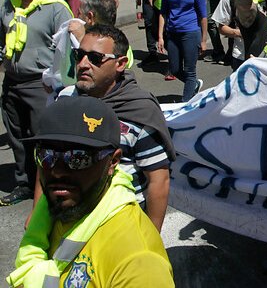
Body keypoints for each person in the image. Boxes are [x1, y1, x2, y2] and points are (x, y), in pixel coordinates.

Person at [7, 97, 174, 287]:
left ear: (113, 161)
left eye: (79, 158)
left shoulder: (138, 262)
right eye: (47, 156)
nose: (58, 171)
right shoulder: (53, 212)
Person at [49, 25, 175, 233]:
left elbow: (158, 180)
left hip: (122, 226)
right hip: (69, 221)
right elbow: (46, 158)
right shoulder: (64, 100)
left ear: (120, 64)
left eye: (95, 58)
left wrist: (151, 237)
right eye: (79, 55)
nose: (82, 64)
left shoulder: (140, 111)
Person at [0, 0, 73, 206]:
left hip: (40, 84)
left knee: (43, 138)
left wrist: (56, 85)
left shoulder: (55, 7)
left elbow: (66, 51)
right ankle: (24, 183)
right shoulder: (10, 4)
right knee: (16, 137)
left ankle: (48, 186)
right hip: (12, 81)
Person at [42, 0, 118, 97]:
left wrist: (81, 40)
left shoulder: (113, 46)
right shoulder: (118, 41)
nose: (76, 16)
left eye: (79, 13)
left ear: (90, 17)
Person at [158, 0, 207, 102]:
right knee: (174, 68)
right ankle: (193, 85)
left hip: (190, 32)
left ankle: (185, 104)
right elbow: (163, 12)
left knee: (189, 71)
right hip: (172, 33)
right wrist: (160, 36)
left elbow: (203, 15)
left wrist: (204, 40)